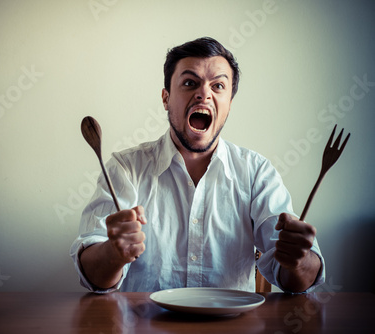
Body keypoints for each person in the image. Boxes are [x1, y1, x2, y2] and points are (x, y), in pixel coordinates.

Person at [70, 37, 325, 293]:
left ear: (229, 104)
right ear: (166, 99)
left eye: (218, 86)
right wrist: (113, 254)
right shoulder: (125, 168)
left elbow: (296, 280)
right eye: (190, 83)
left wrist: (299, 261)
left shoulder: (257, 173)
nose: (204, 93)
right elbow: (93, 276)